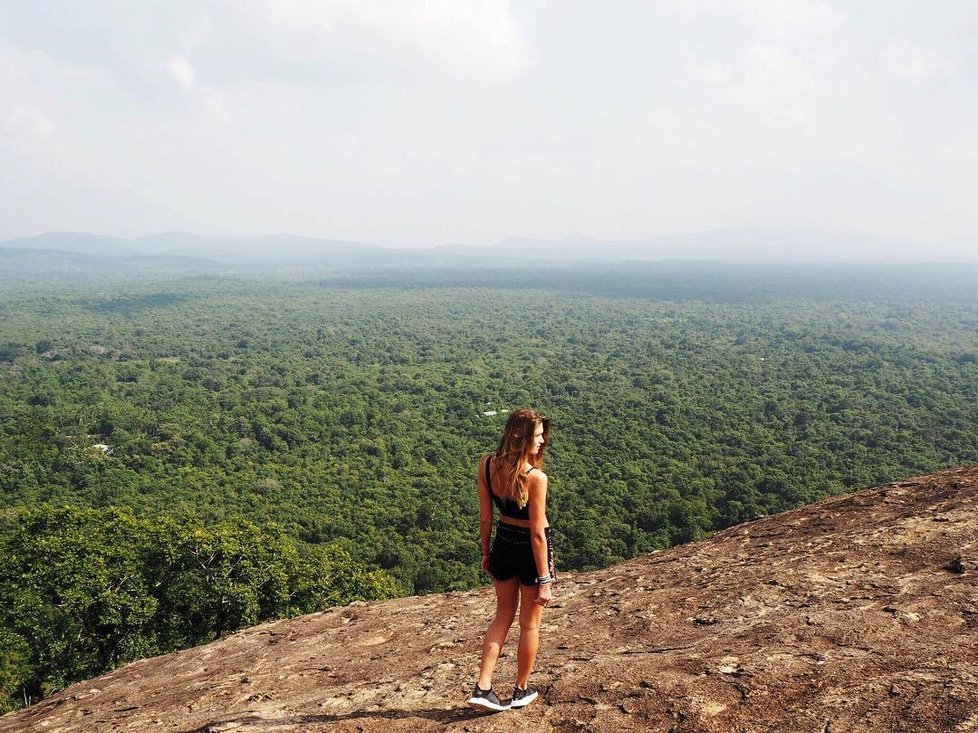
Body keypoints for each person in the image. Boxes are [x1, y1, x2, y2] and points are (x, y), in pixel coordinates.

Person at [467, 408, 555, 712]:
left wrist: (486, 554)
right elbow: (537, 535)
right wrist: (544, 580)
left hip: (502, 543)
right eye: (538, 435)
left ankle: (483, 687)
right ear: (519, 436)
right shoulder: (536, 478)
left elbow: (485, 519)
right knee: (530, 624)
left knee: (502, 616)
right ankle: (521, 690)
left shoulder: (487, 465)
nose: (543, 440)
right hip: (531, 552)